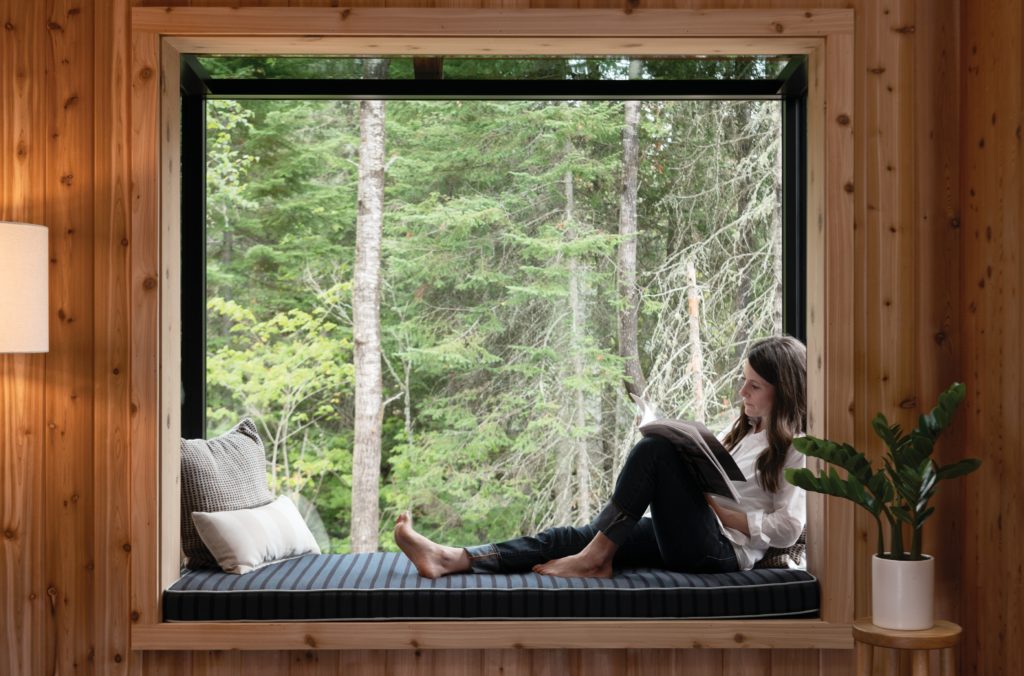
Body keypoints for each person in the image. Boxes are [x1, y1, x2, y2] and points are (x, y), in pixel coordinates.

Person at [393, 335, 807, 579]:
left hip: (722, 553)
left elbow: (789, 527)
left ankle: (595, 560)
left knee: (655, 450)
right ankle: (452, 559)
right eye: (743, 382)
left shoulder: (795, 447)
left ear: (782, 390)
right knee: (575, 536)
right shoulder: (743, 432)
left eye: (753, 386)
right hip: (698, 534)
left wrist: (723, 512)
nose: (742, 393)